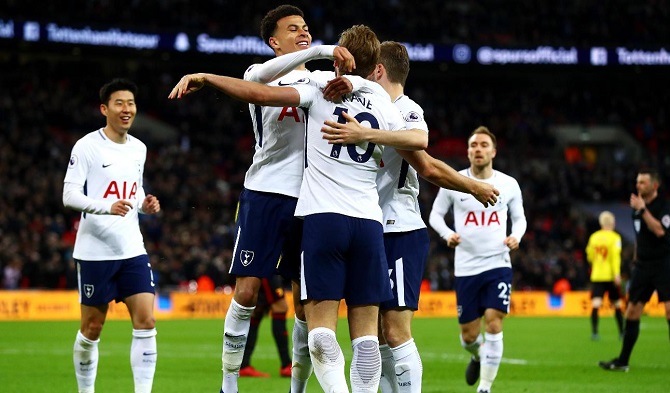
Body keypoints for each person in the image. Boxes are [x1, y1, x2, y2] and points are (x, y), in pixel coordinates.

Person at [169, 23, 429, 393]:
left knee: (321, 332)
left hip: (323, 219)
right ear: (375, 66)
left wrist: (208, 79)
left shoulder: (319, 87)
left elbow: (258, 93)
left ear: (342, 57)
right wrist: (367, 133)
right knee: (368, 341)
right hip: (370, 225)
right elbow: (420, 139)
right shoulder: (383, 101)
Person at [170, 5, 356, 393]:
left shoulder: (324, 80)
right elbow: (261, 80)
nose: (303, 33)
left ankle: (297, 388)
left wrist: (350, 81)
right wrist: (322, 47)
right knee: (248, 291)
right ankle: (229, 384)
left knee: (305, 304)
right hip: (266, 191)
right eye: (293, 29)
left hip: (312, 199)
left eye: (305, 28)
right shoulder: (257, 72)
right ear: (274, 41)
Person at [319, 41, 501, 393]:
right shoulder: (365, 105)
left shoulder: (405, 110)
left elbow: (427, 162)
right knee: (370, 336)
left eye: (368, 67)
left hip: (399, 228)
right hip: (366, 227)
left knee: (396, 331)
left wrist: (471, 186)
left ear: (378, 71)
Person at [63, 78, 161, 393]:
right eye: (119, 103)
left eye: (130, 103)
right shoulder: (87, 146)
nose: (126, 109)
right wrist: (106, 207)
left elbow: (134, 193)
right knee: (92, 328)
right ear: (105, 108)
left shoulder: (139, 148)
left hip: (132, 248)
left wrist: (145, 205)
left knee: (146, 322)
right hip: (95, 251)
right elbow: (70, 196)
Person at [428, 126, 526, 393]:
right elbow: (435, 215)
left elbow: (519, 219)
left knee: (494, 321)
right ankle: (475, 354)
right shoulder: (455, 181)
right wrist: (447, 234)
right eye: (473, 145)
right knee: (469, 336)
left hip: (498, 263)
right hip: (466, 267)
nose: (478, 149)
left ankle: (484, 387)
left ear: (493, 151)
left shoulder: (508, 184)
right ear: (468, 151)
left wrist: (516, 236)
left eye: (483, 145)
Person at [599, 169, 670, 374]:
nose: (638, 186)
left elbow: (660, 231)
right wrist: (635, 261)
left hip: (663, 264)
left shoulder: (663, 206)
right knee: (632, 311)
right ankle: (623, 361)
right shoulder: (636, 209)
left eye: (642, 183)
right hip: (642, 266)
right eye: (637, 182)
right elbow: (640, 238)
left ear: (654, 186)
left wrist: (643, 210)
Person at [238, 275, 293, 378]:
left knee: (257, 311)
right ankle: (286, 364)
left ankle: (244, 365)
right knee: (280, 306)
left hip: (264, 268)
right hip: (267, 269)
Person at [585, 210, 624, 341]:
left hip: (597, 275)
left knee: (596, 303)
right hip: (610, 276)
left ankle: (595, 333)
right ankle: (621, 333)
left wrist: (596, 264)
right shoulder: (615, 238)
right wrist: (617, 274)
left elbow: (589, 255)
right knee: (617, 304)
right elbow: (615, 257)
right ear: (612, 222)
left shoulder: (594, 237)